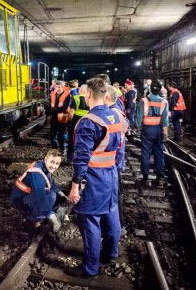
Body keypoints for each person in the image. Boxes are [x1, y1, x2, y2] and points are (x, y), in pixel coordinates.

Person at [67, 77, 122, 279]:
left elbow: (81, 159)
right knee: (111, 213)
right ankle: (111, 253)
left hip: (94, 179)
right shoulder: (117, 116)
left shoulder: (88, 122)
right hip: (111, 175)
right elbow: (120, 151)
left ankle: (91, 268)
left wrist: (74, 186)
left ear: (88, 94)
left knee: (90, 220)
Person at [10, 149, 69, 232]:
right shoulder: (37, 172)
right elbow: (40, 197)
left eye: (57, 163)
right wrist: (53, 218)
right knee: (50, 196)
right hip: (20, 200)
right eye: (52, 162)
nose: (54, 166)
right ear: (45, 159)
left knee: (55, 196)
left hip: (29, 196)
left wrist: (62, 195)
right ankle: (31, 220)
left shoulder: (44, 167)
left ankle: (41, 216)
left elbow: (50, 184)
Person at [135, 79, 169, 187]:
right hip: (158, 131)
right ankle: (159, 178)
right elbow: (165, 121)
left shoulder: (143, 101)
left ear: (150, 88)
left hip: (147, 131)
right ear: (160, 90)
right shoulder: (164, 102)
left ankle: (145, 178)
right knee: (159, 153)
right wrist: (165, 134)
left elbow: (138, 120)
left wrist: (136, 128)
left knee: (146, 154)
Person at [105, 85, 129, 235]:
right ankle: (118, 226)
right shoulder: (116, 111)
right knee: (115, 195)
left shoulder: (112, 115)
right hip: (113, 163)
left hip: (111, 164)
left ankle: (118, 227)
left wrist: (114, 165)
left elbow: (118, 145)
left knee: (114, 196)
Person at [66, 84, 89, 163]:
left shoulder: (76, 98)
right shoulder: (90, 99)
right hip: (87, 123)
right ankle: (83, 159)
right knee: (85, 141)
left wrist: (69, 120)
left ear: (81, 90)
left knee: (72, 141)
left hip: (76, 122)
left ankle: (70, 159)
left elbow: (71, 112)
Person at [50, 80, 71, 153]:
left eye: (59, 87)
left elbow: (64, 107)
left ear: (63, 87)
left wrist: (53, 110)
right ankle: (54, 149)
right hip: (54, 119)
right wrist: (49, 110)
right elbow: (49, 104)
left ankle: (62, 149)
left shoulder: (67, 95)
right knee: (52, 136)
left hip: (62, 119)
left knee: (61, 136)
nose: (58, 88)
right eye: (56, 87)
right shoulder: (52, 94)